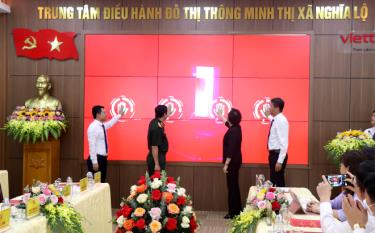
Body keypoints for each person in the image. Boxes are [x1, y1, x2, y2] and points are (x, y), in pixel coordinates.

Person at [316, 152, 375, 233]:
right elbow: (336, 203)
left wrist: (324, 199)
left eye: (340, 165)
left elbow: (330, 230)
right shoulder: (368, 216)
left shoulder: (366, 219)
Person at [307, 151, 369, 221]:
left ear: (347, 168)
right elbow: (336, 203)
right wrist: (320, 203)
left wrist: (319, 208)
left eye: (341, 166)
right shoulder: (349, 185)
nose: (339, 169)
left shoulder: (363, 188)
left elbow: (346, 215)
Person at [87, 105, 124, 183]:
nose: (106, 114)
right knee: (96, 185)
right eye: (104, 112)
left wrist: (119, 115)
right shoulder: (93, 127)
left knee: (101, 183)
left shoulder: (102, 125)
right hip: (97, 159)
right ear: (98, 114)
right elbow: (92, 145)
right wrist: (94, 162)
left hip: (102, 159)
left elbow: (110, 123)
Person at [217, 107, 243, 219]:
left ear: (231, 118)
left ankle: (233, 212)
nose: (227, 116)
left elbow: (231, 149)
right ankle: (236, 210)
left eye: (228, 115)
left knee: (232, 187)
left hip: (232, 163)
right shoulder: (236, 128)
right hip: (236, 161)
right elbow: (228, 124)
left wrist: (226, 164)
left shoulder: (233, 131)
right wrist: (220, 115)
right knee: (234, 186)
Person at [265, 98, 289, 187]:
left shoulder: (281, 120)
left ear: (277, 108)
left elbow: (284, 142)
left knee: (277, 183)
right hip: (274, 155)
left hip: (277, 155)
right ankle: (277, 200)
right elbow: (274, 122)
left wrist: (280, 161)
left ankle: (280, 200)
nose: (269, 108)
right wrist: (268, 116)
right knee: (275, 181)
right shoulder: (276, 119)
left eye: (270, 106)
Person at [147, 105, 170, 176]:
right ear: (164, 114)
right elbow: (154, 146)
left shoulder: (155, 122)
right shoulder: (156, 127)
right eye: (167, 113)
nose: (167, 115)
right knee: (157, 183)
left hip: (158, 156)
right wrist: (157, 164)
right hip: (157, 158)